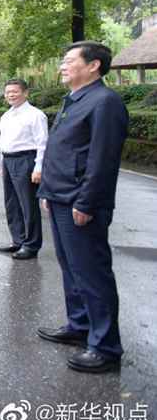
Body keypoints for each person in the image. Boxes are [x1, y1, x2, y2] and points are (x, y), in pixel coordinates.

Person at [36, 42, 128, 373]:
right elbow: (62, 151)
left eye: (69, 61)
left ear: (93, 66)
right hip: (60, 196)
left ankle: (105, 346)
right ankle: (80, 326)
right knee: (71, 268)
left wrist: (87, 201)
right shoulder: (74, 100)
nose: (62, 66)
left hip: (80, 201)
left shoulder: (105, 102)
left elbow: (101, 159)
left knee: (91, 272)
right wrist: (47, 190)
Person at [0, 78, 48, 260]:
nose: (11, 95)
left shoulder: (36, 115)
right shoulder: (6, 116)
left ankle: (31, 245)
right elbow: (4, 141)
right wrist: (2, 162)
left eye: (15, 91)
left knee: (28, 204)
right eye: (8, 92)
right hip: (8, 160)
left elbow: (42, 143)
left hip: (26, 159)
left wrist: (39, 167)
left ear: (25, 93)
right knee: (11, 203)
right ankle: (17, 240)